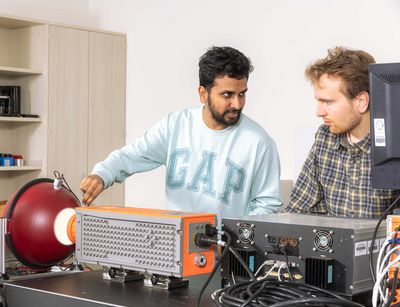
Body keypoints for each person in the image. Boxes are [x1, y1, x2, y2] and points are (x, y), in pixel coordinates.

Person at [80, 46, 282, 218]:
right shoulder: (175, 125)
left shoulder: (259, 143)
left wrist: (234, 240)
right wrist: (102, 174)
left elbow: (267, 207)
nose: (237, 104)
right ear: (203, 94)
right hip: (176, 248)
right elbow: (131, 156)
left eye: (242, 94)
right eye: (227, 95)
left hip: (229, 253)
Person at [286, 46, 398, 218]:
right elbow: (298, 211)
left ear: (361, 101)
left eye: (327, 102)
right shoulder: (325, 138)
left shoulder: (394, 146)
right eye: (318, 101)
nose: (319, 112)